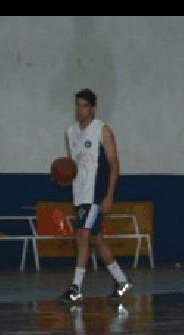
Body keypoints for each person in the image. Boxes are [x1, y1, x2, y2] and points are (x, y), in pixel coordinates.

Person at [59, 89, 132, 304]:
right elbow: (73, 166)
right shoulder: (71, 132)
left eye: (83, 105)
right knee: (96, 239)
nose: (79, 109)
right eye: (77, 105)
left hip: (95, 194)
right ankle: (121, 281)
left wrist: (109, 195)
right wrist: (63, 176)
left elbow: (114, 164)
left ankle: (76, 288)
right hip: (79, 194)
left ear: (92, 108)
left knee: (82, 235)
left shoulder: (103, 130)